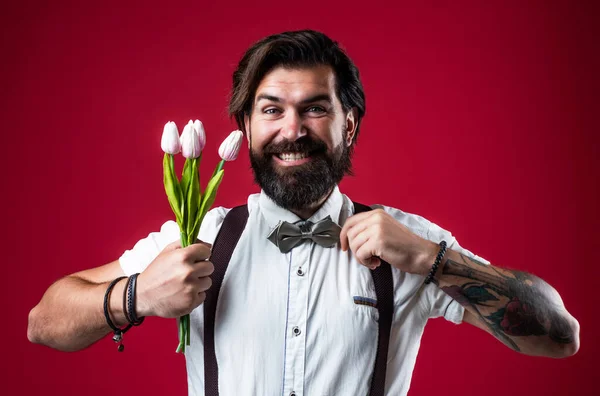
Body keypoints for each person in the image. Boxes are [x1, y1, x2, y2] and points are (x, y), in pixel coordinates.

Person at [28, 30, 580, 396]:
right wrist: (139, 296)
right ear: (246, 127)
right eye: (272, 110)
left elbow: (559, 336)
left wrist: (433, 259)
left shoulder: (411, 243)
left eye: (315, 108)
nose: (292, 131)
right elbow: (44, 323)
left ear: (350, 124)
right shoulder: (200, 236)